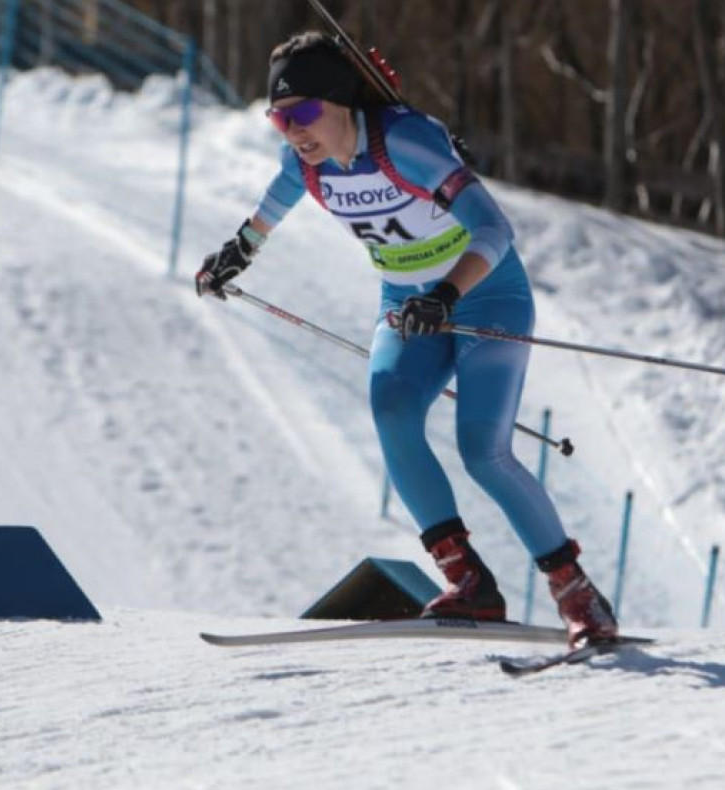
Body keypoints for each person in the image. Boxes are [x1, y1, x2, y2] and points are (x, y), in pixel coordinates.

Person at [194, 32, 618, 647]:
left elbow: (496, 229)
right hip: (404, 302)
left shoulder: (405, 142)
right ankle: (468, 580)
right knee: (390, 406)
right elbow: (267, 212)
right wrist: (237, 255)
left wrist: (445, 295)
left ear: (342, 103)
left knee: (483, 451)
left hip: (485, 295)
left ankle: (577, 593)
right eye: (280, 118)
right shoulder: (305, 165)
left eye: (305, 112)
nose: (294, 129)